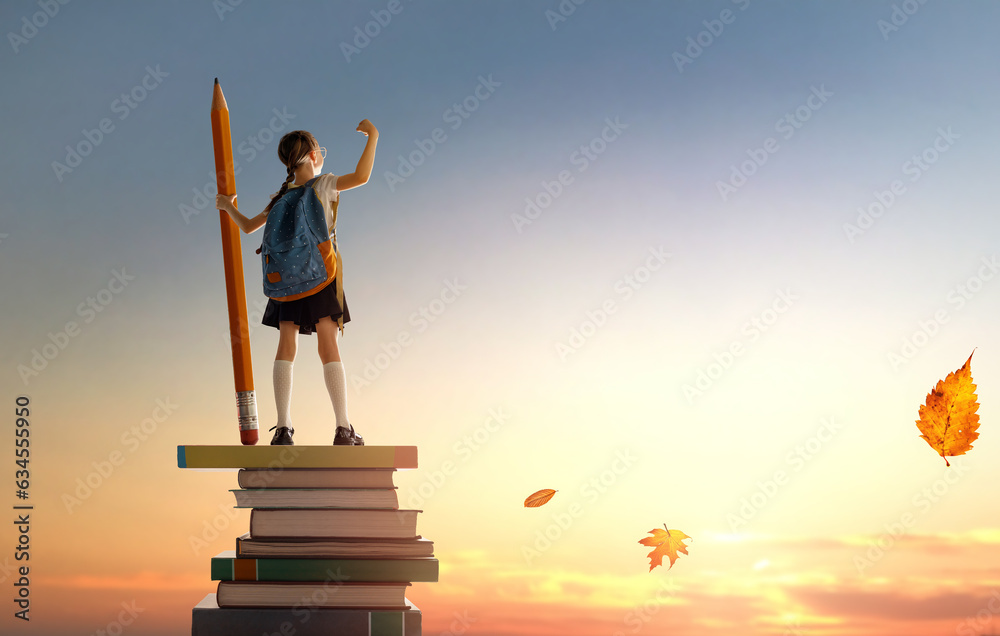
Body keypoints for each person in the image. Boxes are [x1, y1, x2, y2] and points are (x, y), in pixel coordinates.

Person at [215, 121, 378, 446]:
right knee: (328, 346)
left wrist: (226, 207)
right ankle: (343, 428)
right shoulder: (325, 184)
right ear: (314, 155)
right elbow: (362, 177)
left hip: (285, 280)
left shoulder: (280, 197)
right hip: (321, 276)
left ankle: (284, 428)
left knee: (286, 346)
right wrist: (373, 136)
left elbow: (248, 227)